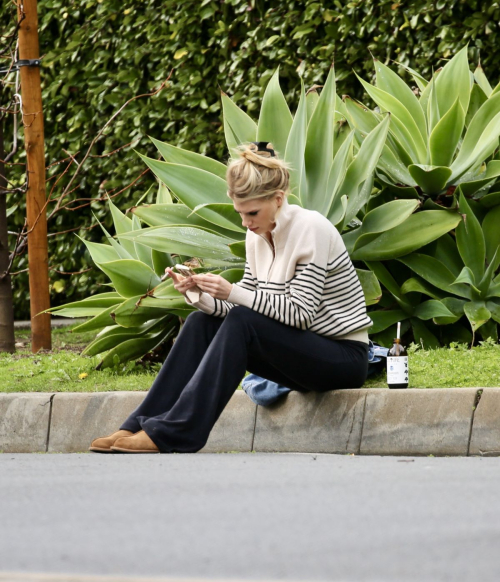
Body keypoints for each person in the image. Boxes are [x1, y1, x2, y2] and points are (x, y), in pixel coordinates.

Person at [89, 141, 372, 454]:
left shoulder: (311, 228)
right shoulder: (255, 235)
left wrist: (232, 291)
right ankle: (140, 423)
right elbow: (248, 302)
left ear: (278, 199)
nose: (246, 223)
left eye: (252, 212)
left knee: (242, 319)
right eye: (240, 213)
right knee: (200, 322)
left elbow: (299, 314)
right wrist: (202, 297)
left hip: (342, 357)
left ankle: (176, 433)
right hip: (297, 352)